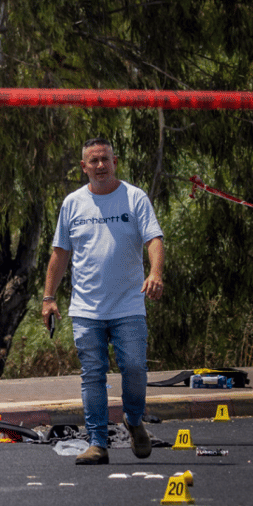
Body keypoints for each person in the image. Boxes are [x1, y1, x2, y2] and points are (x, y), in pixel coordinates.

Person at [42, 137, 164, 465]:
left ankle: (134, 420)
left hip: (128, 304)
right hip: (86, 308)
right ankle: (97, 443)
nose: (99, 166)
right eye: (93, 161)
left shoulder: (134, 197)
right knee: (92, 374)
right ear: (83, 167)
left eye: (104, 160)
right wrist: (49, 298)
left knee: (135, 367)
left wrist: (155, 273)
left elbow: (154, 238)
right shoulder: (73, 203)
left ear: (115, 161)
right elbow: (60, 253)